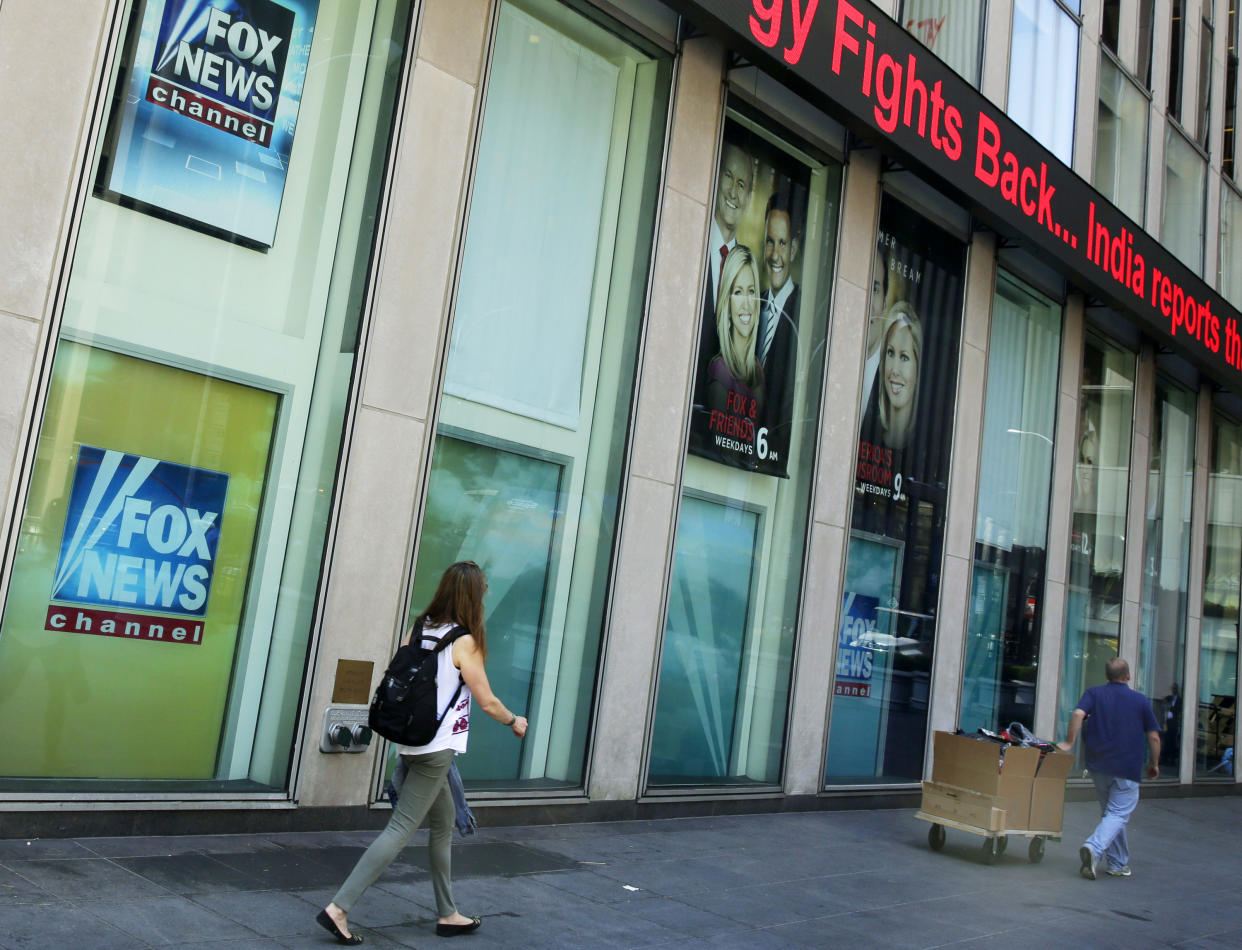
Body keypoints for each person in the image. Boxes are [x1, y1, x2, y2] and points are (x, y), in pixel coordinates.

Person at [317, 561, 528, 945]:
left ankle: (448, 913)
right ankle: (339, 908)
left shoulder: (420, 627)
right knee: (400, 829)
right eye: (484, 588)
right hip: (436, 750)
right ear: (473, 595)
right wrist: (514, 720)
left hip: (411, 741)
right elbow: (487, 701)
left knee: (443, 823)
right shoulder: (466, 641)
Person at [1058, 657, 1160, 881]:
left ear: (1106, 676)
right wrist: (1154, 764)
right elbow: (1153, 736)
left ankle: (1118, 863)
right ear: (1128, 676)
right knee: (1117, 814)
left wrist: (1068, 742)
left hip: (1099, 766)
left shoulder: (1094, 693)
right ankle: (1094, 848)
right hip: (1127, 768)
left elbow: (1077, 714)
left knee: (1112, 815)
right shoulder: (1140, 701)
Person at [757, 191, 802, 469]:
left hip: (773, 460)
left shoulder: (801, 314)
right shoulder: (753, 304)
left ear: (794, 250)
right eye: (770, 242)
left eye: (783, 243)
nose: (775, 254)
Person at [706, 245, 764, 419]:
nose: (747, 303)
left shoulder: (757, 370)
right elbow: (719, 443)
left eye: (751, 291)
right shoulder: (720, 371)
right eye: (738, 292)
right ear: (727, 304)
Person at [874, 301, 922, 450]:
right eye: (890, 353)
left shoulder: (922, 447)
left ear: (917, 367)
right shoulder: (868, 432)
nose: (894, 370)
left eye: (904, 357)